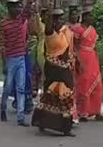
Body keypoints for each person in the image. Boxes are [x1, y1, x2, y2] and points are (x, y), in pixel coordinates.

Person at [32, 8, 75, 136]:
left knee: (66, 97)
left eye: (62, 18)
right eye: (57, 19)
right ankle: (43, 122)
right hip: (53, 69)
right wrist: (49, 4)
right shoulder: (49, 32)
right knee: (50, 96)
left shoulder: (66, 32)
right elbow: (49, 21)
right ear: (52, 21)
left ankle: (66, 126)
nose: (60, 21)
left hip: (65, 69)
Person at [0, 0, 32, 124]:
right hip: (10, 59)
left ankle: (20, 117)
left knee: (21, 88)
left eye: (19, 7)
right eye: (16, 7)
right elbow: (2, 45)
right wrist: (4, 64)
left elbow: (28, 8)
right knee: (7, 88)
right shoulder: (4, 23)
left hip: (21, 58)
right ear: (9, 8)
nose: (19, 10)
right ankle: (3, 107)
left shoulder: (21, 19)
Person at [74, 6, 103, 121]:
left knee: (97, 84)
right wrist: (78, 61)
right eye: (90, 15)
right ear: (85, 16)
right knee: (84, 85)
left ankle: (96, 111)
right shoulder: (78, 29)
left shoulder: (93, 30)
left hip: (92, 57)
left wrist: (98, 60)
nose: (92, 17)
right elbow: (74, 46)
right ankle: (83, 112)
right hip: (82, 56)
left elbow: (95, 46)